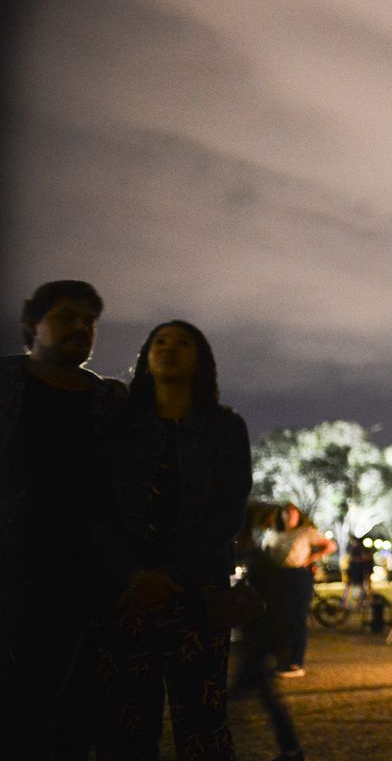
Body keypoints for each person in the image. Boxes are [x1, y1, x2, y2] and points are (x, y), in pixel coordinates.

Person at [99, 320, 252, 759]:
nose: (169, 349)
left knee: (203, 722)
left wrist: (170, 573)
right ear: (145, 358)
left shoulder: (225, 428)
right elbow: (99, 504)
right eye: (159, 342)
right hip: (125, 591)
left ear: (202, 361)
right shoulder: (120, 425)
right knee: (124, 721)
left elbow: (229, 511)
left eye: (183, 343)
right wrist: (132, 572)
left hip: (199, 591)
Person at [0, 280, 125, 759]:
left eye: (89, 322)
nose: (81, 328)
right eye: (67, 317)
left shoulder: (109, 401)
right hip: (14, 574)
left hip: (86, 581)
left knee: (75, 715)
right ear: (33, 325)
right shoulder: (7, 385)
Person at [231, 502, 304, 761]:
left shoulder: (257, 562)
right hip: (255, 637)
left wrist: (282, 642)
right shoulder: (254, 558)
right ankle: (290, 748)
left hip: (258, 638)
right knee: (260, 693)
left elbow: (275, 604)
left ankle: (291, 748)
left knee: (252, 694)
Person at [264, 502, 335, 677]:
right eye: (286, 513)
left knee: (296, 617)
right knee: (279, 619)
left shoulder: (306, 532)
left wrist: (310, 558)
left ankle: (296, 662)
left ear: (298, 515)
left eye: (292, 513)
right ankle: (282, 660)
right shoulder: (273, 533)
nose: (289, 516)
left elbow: (330, 546)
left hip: (297, 576)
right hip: (277, 576)